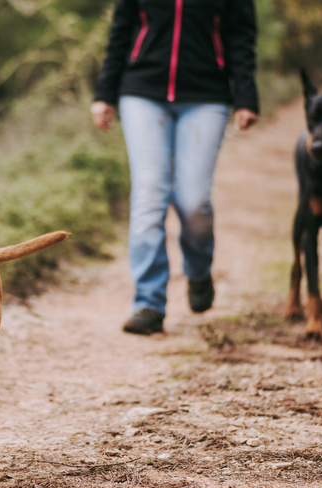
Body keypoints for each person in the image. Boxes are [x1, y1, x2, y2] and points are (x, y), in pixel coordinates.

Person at [91, 0, 259, 335]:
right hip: (143, 92)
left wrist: (246, 96)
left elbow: (241, 35)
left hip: (206, 95)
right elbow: (121, 28)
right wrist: (104, 93)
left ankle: (198, 270)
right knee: (149, 195)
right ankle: (148, 303)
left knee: (193, 200)